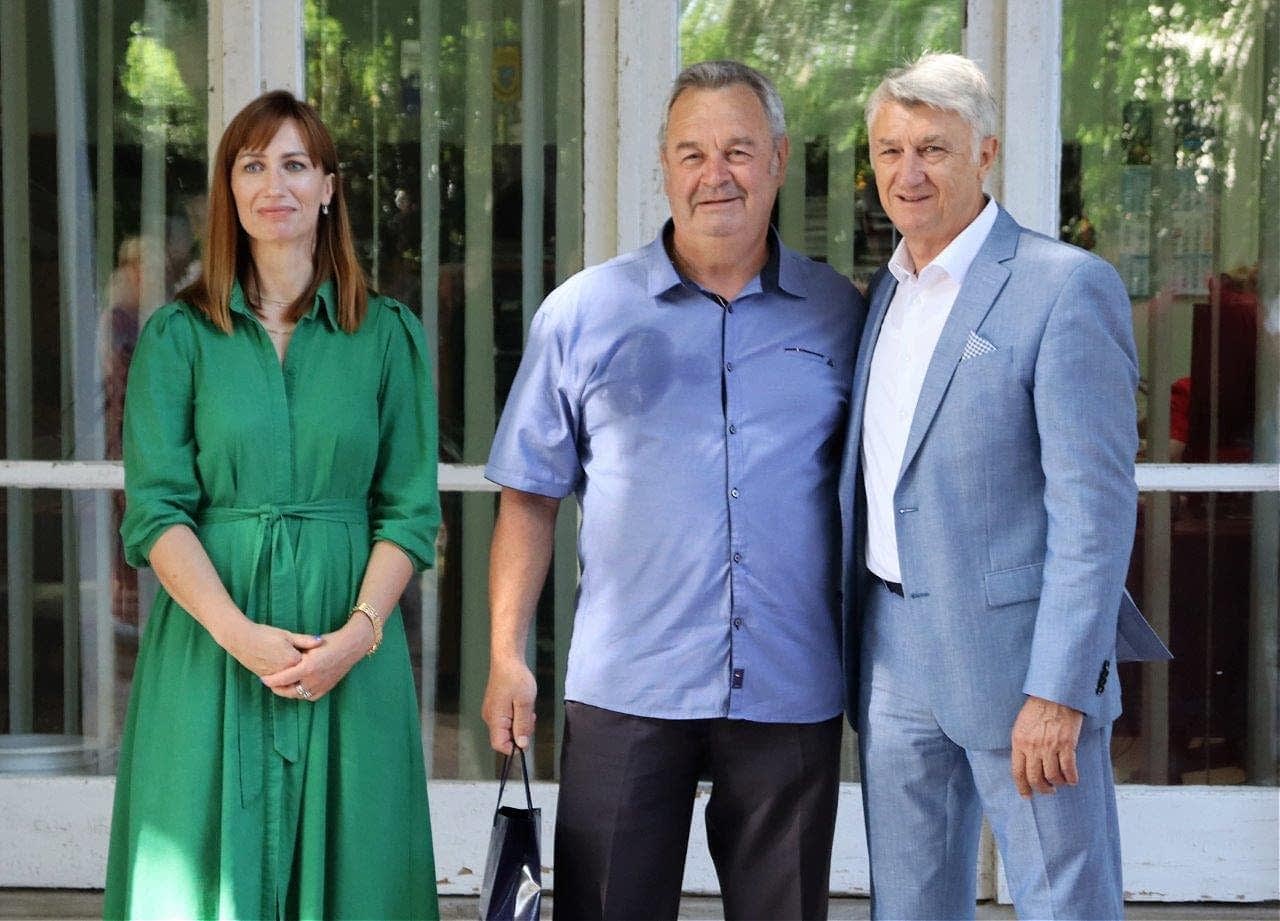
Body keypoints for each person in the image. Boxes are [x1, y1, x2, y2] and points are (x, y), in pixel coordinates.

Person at [482, 60, 865, 921]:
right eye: (691, 153)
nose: (713, 174)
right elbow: (529, 496)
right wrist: (508, 653)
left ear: (778, 159)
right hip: (628, 687)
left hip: (789, 683)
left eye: (736, 149)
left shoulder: (841, 315)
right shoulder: (582, 314)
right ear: (664, 165)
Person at [840, 53, 1171, 920]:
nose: (907, 173)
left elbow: (1093, 513)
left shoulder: (1065, 287)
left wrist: (1060, 688)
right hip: (890, 647)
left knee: (1062, 900)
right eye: (889, 150)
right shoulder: (889, 291)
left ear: (985, 152)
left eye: (935, 149)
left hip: (1021, 664)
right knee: (907, 906)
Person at [103, 90, 441, 920]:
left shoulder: (388, 335)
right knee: (199, 861)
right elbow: (156, 510)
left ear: (329, 186)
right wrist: (239, 635)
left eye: (294, 164)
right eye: (253, 166)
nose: (273, 185)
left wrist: (357, 638)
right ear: (230, 189)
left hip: (348, 647)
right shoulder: (178, 337)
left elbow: (408, 511)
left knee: (359, 868)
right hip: (210, 643)